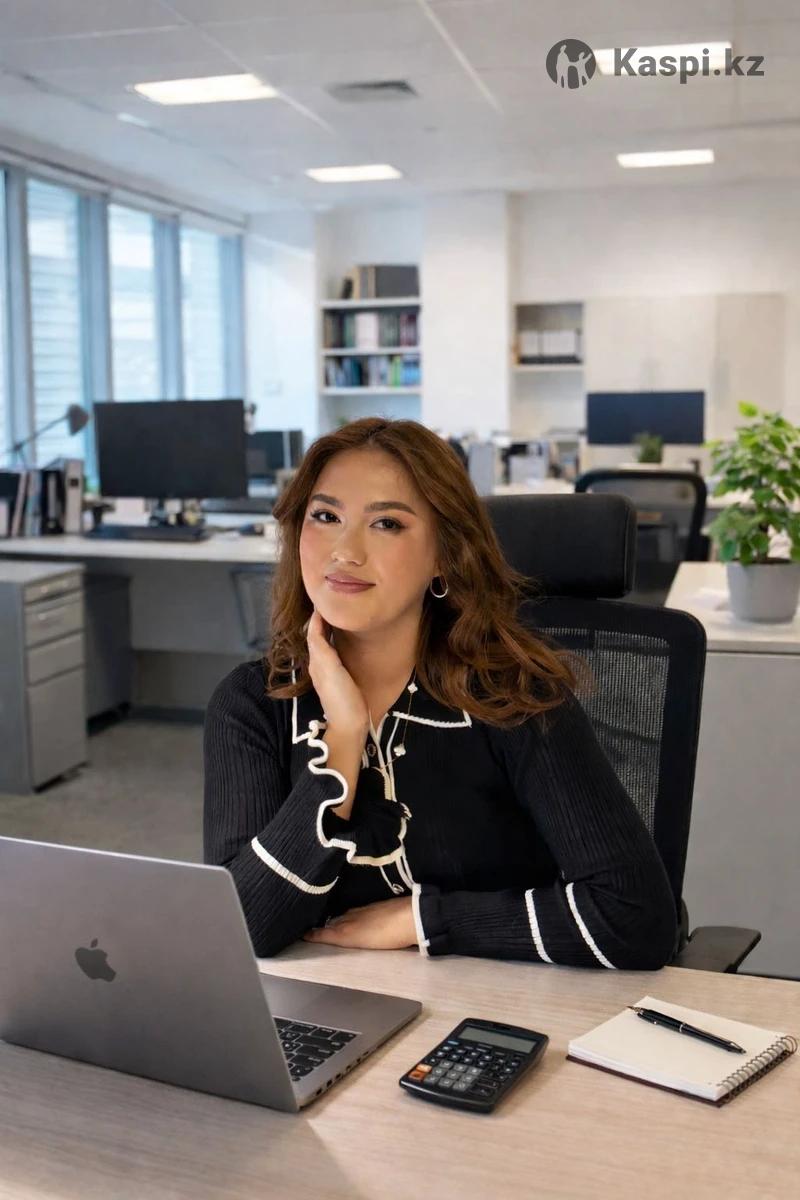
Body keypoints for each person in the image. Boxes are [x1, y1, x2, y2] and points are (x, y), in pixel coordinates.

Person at [203, 418, 677, 968]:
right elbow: (238, 927)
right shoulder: (253, 704)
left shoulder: (512, 698)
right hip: (328, 1003)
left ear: (444, 555)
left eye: (386, 523)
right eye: (325, 517)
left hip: (494, 1005)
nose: (345, 552)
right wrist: (344, 741)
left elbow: (635, 918)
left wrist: (423, 919)